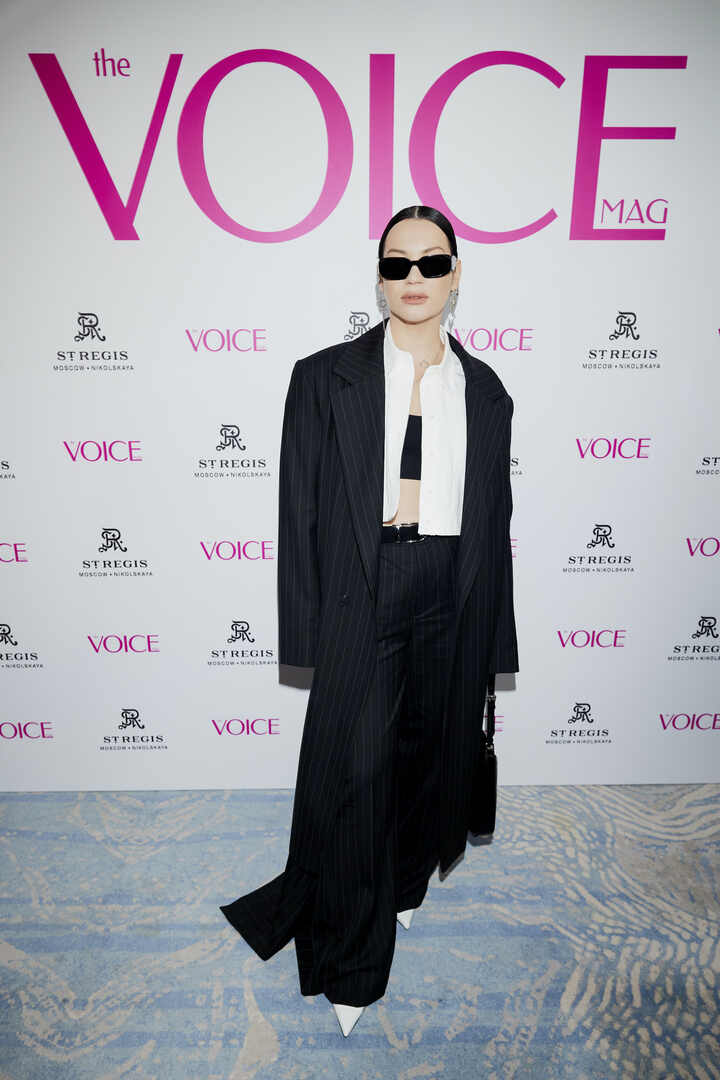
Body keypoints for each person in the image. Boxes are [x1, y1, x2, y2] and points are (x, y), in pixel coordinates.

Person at [220, 205, 519, 1038]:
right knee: (354, 771)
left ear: (456, 274)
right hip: (364, 585)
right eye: (397, 264)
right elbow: (299, 513)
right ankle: (352, 961)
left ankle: (405, 882)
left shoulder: (487, 390)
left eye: (432, 263)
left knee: (432, 756)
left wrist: (495, 641)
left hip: (453, 588)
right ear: (379, 277)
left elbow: (495, 521)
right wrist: (307, 635)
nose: (414, 279)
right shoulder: (324, 378)